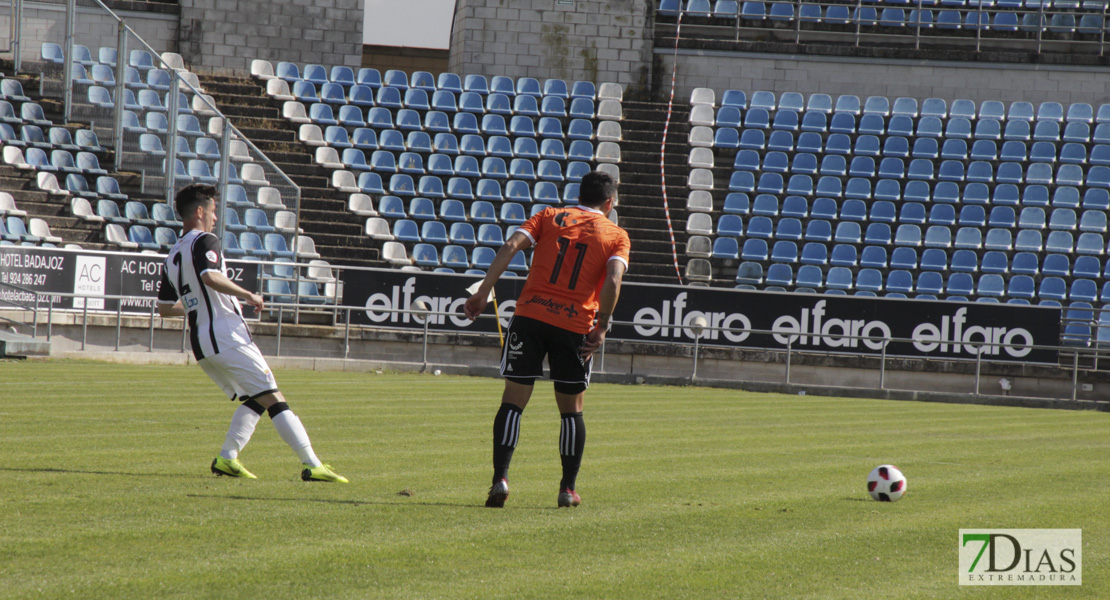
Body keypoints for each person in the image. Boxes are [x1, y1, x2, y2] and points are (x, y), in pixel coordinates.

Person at [157, 183, 348, 483]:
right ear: (199, 212)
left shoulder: (171, 256)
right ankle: (312, 464)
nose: (215, 218)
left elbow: (166, 309)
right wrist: (248, 295)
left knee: (257, 398)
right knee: (274, 397)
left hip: (203, 344)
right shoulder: (205, 240)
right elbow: (210, 276)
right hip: (228, 337)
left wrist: (197, 308)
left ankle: (227, 458)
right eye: (213, 211)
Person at [465, 171, 629, 508]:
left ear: (579, 194)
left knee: (513, 400)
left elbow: (511, 246)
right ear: (609, 203)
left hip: (530, 317)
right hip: (575, 327)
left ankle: (501, 480)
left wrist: (483, 293)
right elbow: (613, 279)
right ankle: (567, 490)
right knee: (572, 410)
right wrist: (603, 325)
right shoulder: (616, 234)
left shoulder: (548, 215)